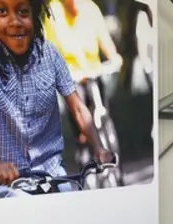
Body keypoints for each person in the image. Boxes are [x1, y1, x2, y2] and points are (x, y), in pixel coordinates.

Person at [0, 0, 113, 196]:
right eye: (1, 11)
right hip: (10, 184)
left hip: (54, 174)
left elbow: (77, 107)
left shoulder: (50, 54)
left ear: (34, 13)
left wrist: (98, 146)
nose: (14, 21)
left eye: (23, 11)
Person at [43, 0, 123, 165]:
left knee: (102, 111)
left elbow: (105, 40)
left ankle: (110, 150)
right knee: (80, 120)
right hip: (72, 76)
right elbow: (50, 51)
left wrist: (114, 57)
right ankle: (84, 151)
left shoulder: (90, 8)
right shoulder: (54, 12)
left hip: (94, 71)